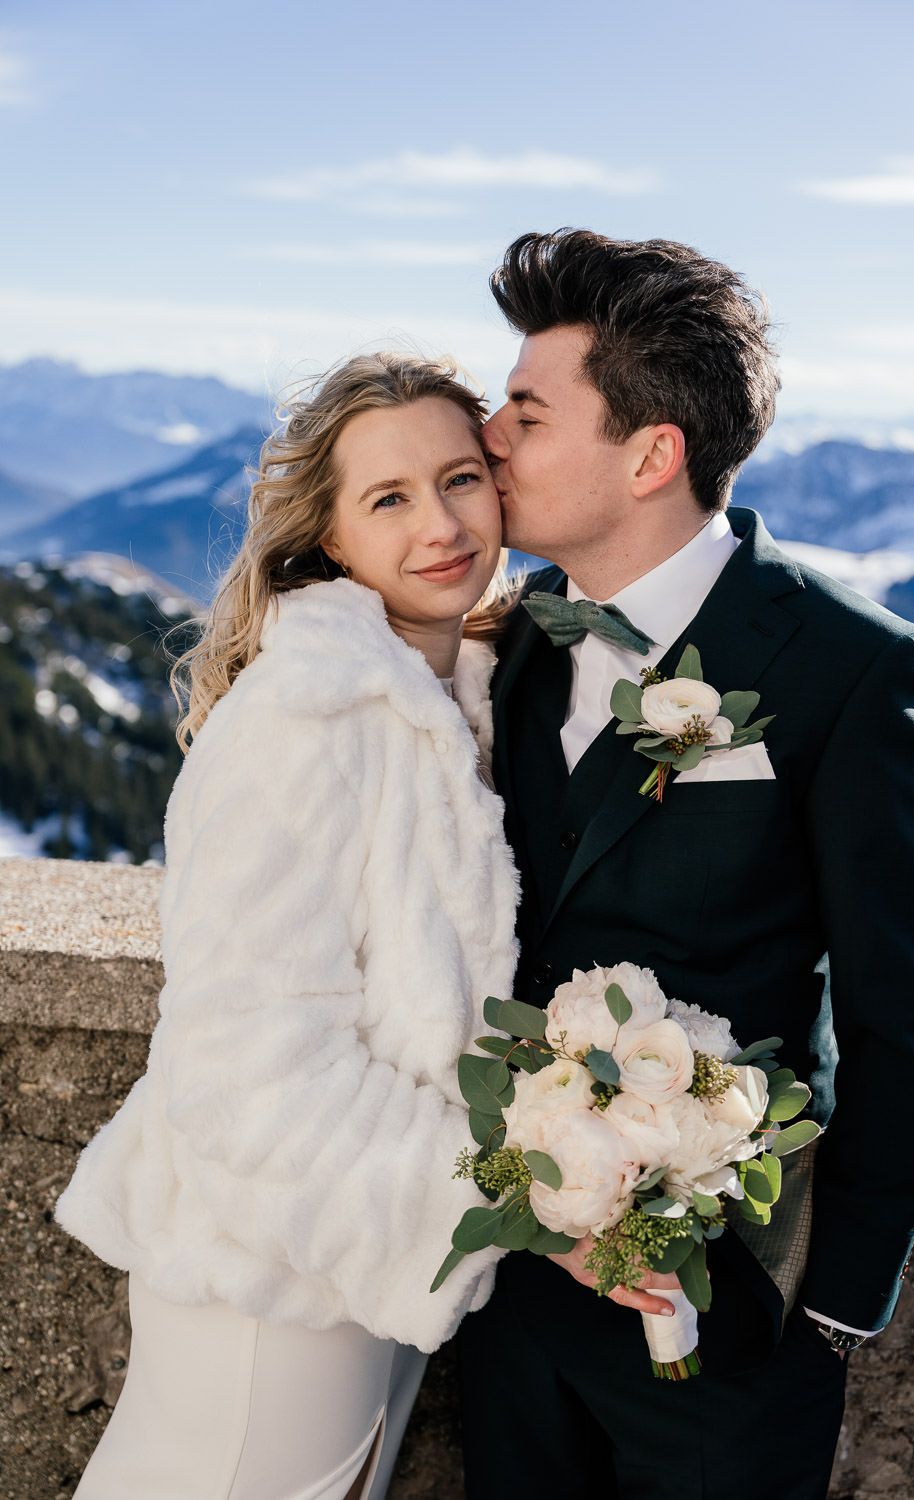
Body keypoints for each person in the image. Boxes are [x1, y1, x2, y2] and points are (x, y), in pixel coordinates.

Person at [459, 229, 914, 1500]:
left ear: (650, 453)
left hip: (733, 1312)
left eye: (526, 411)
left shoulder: (862, 671)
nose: (488, 435)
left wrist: (832, 1308)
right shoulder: (510, 639)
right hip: (509, 1294)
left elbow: (905, 1008)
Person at [55, 352, 520, 1500]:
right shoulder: (300, 721)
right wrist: (490, 1184)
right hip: (271, 1270)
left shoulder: (464, 693)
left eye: (460, 478)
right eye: (389, 498)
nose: (440, 525)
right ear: (329, 539)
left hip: (367, 1258)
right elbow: (245, 1066)